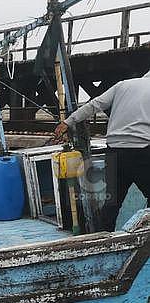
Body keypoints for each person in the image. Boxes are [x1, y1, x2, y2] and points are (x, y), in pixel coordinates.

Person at [54, 69, 150, 231]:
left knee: (113, 202)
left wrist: (68, 122)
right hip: (141, 150)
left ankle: (103, 237)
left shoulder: (122, 85)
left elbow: (94, 104)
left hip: (113, 149)